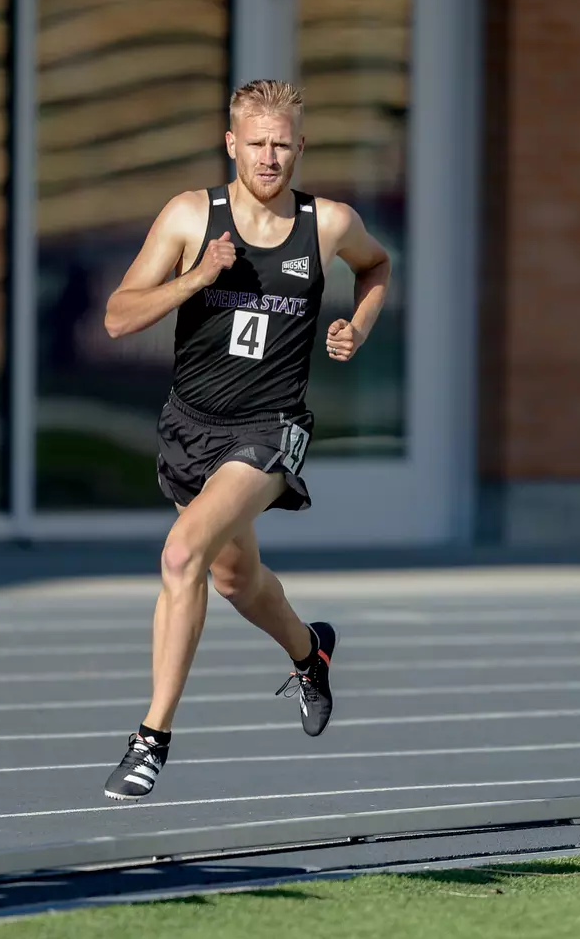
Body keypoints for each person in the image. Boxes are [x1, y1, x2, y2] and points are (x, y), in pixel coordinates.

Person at [99, 79, 392, 800]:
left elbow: (377, 267)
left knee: (182, 555)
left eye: (283, 145)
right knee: (237, 581)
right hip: (191, 426)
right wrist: (195, 277)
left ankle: (151, 738)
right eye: (256, 144)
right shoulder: (191, 216)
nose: (270, 157)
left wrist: (358, 325)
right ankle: (309, 650)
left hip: (270, 430)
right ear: (232, 143)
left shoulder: (327, 224)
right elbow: (117, 316)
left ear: (301, 147)